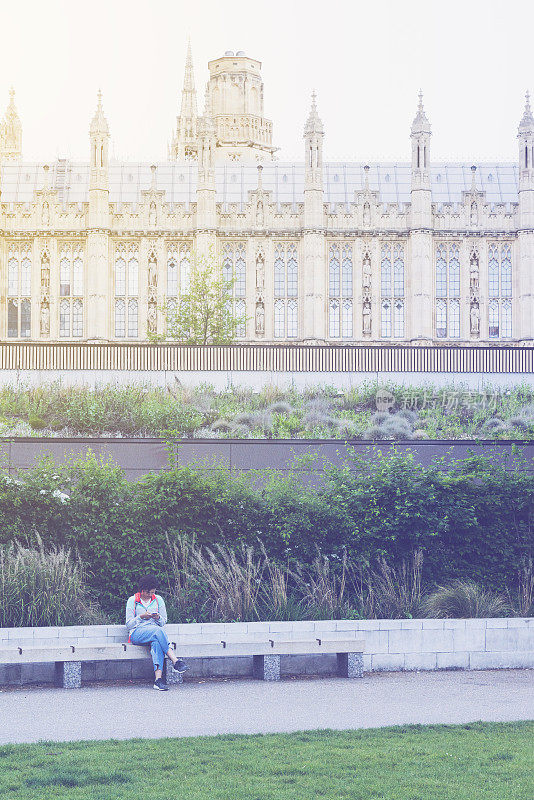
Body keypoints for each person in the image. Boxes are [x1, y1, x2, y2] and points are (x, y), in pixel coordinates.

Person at [126, 574, 189, 691]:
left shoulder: (158, 599)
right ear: (142, 590)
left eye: (152, 592)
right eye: (148, 593)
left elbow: (163, 621)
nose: (150, 595)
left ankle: (158, 680)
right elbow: (128, 624)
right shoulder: (132, 600)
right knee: (157, 631)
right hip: (137, 633)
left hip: (155, 632)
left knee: (156, 642)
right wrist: (141, 617)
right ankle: (175, 661)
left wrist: (157, 618)